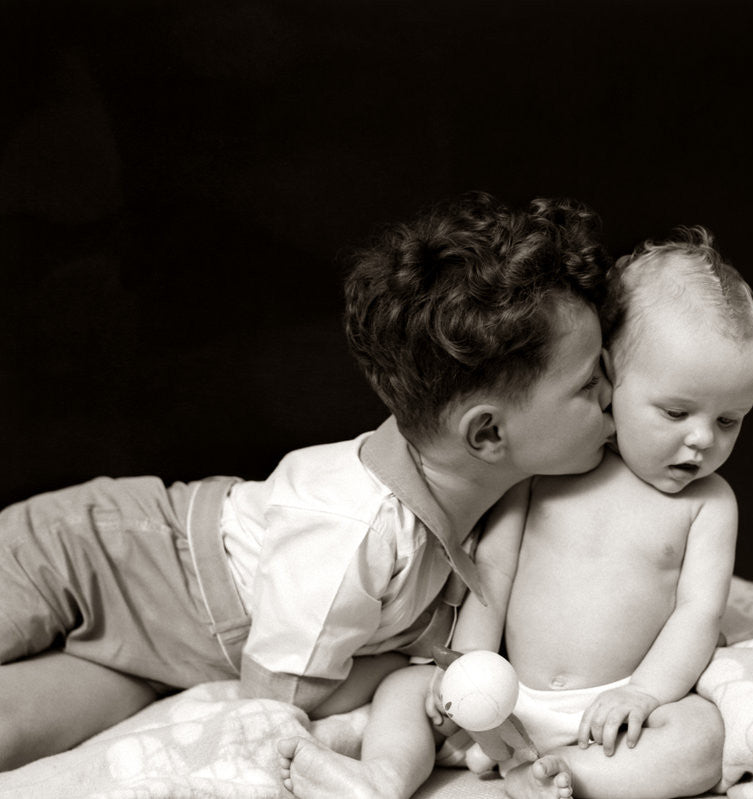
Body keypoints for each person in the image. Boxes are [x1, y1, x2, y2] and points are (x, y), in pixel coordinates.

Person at [0, 191, 616, 772]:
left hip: (164, 643)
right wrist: (401, 666)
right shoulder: (354, 529)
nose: (615, 394)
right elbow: (281, 693)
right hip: (88, 551)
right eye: (590, 383)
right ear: (486, 434)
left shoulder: (488, 490)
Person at [278, 225, 753, 799]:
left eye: (729, 421)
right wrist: (465, 666)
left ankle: (561, 779)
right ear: (609, 377)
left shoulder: (709, 504)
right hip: (504, 694)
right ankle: (382, 777)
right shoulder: (549, 470)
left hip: (613, 711)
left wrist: (645, 694)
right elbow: (493, 573)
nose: (702, 440)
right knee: (404, 689)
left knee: (702, 737)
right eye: (676, 412)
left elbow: (698, 613)